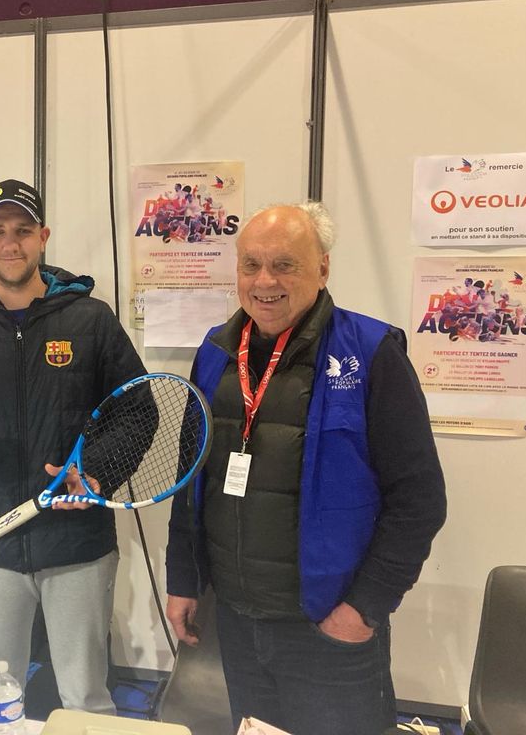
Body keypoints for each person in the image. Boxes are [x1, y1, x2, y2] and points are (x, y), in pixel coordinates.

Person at [165, 201, 446, 735]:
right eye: (251, 265)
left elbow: (419, 501)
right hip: (238, 624)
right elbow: (190, 479)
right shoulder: (215, 353)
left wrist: (363, 609)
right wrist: (183, 579)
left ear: (322, 268)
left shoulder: (372, 353)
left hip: (328, 630)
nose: (264, 281)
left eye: (284, 265)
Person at [0, 179, 146, 714]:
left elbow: (138, 411)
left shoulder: (91, 320)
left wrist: (95, 472)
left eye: (22, 230)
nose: (11, 243)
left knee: (85, 697)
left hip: (77, 544)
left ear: (43, 236)